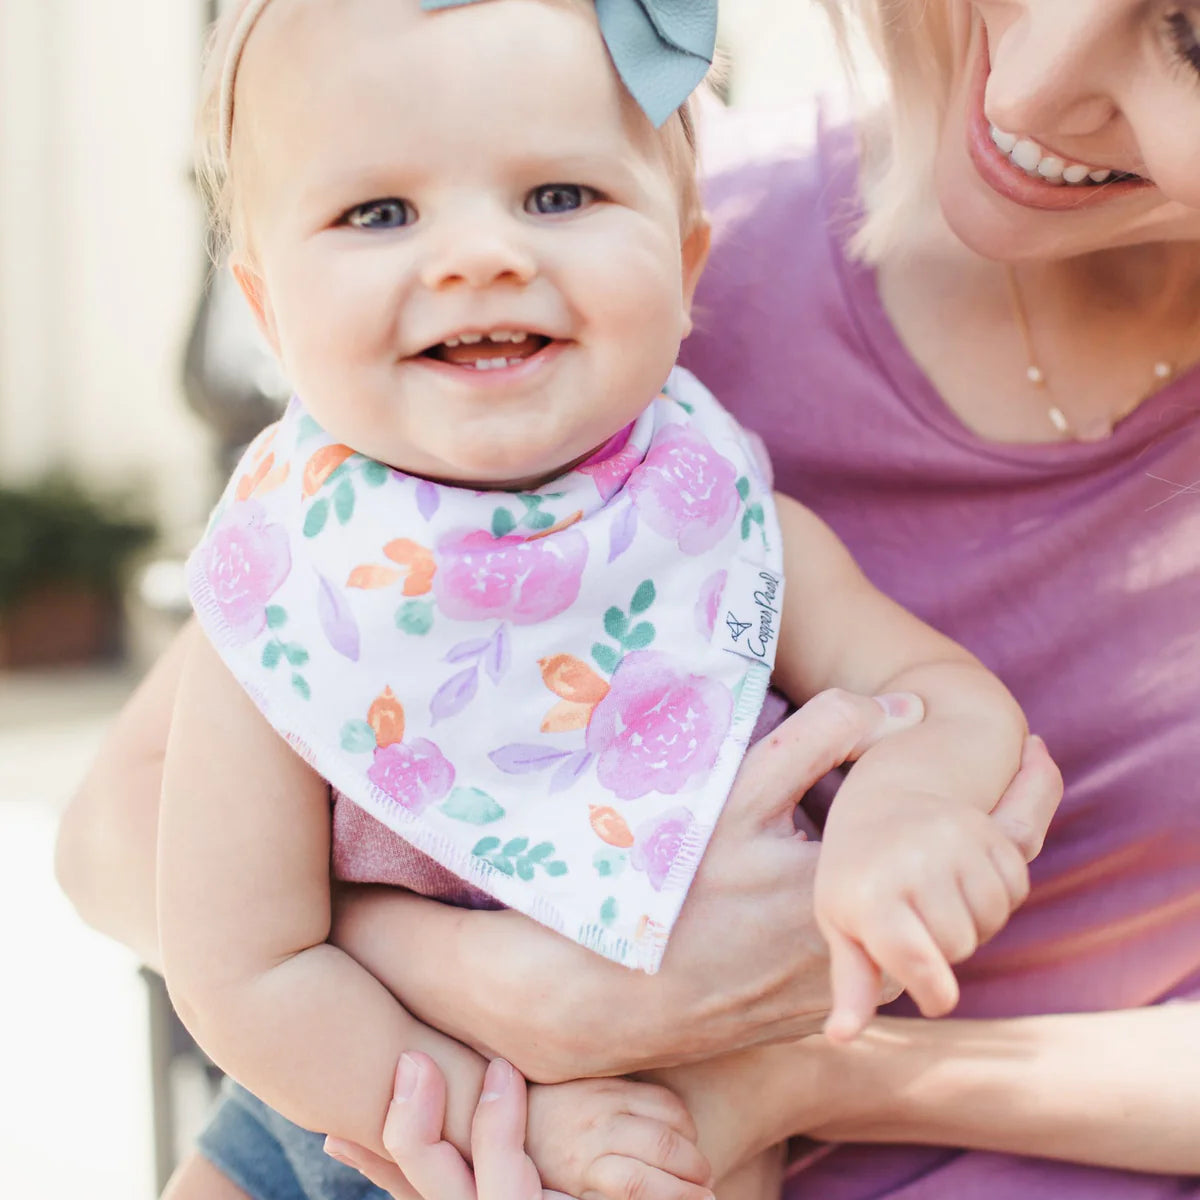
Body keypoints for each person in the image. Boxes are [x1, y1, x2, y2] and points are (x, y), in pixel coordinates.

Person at [56, 0, 1200, 1195]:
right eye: (378, 213)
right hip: (336, 1121)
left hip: (687, 1130)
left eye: (557, 198)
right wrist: (500, 1088)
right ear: (267, 309)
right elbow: (245, 963)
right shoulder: (299, 579)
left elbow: (934, 696)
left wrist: (900, 818)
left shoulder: (720, 514)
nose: (479, 255)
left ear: (691, 257)